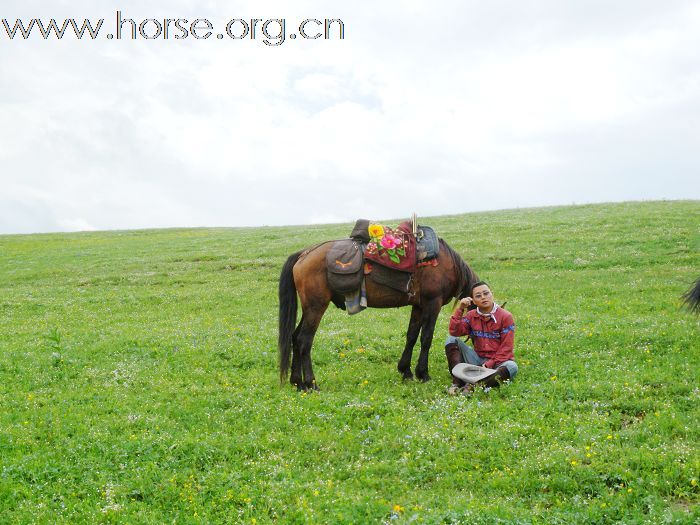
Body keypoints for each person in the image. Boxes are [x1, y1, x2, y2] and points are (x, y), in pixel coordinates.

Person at [445, 281, 518, 395]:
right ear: (473, 301)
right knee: (451, 339)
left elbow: (506, 348)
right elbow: (454, 331)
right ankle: (457, 382)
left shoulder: (505, 316)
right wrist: (460, 309)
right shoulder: (471, 315)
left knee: (512, 367)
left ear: (491, 294)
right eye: (478, 296)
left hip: (498, 362)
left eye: (486, 293)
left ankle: (472, 386)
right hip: (477, 359)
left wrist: (489, 364)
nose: (483, 297)